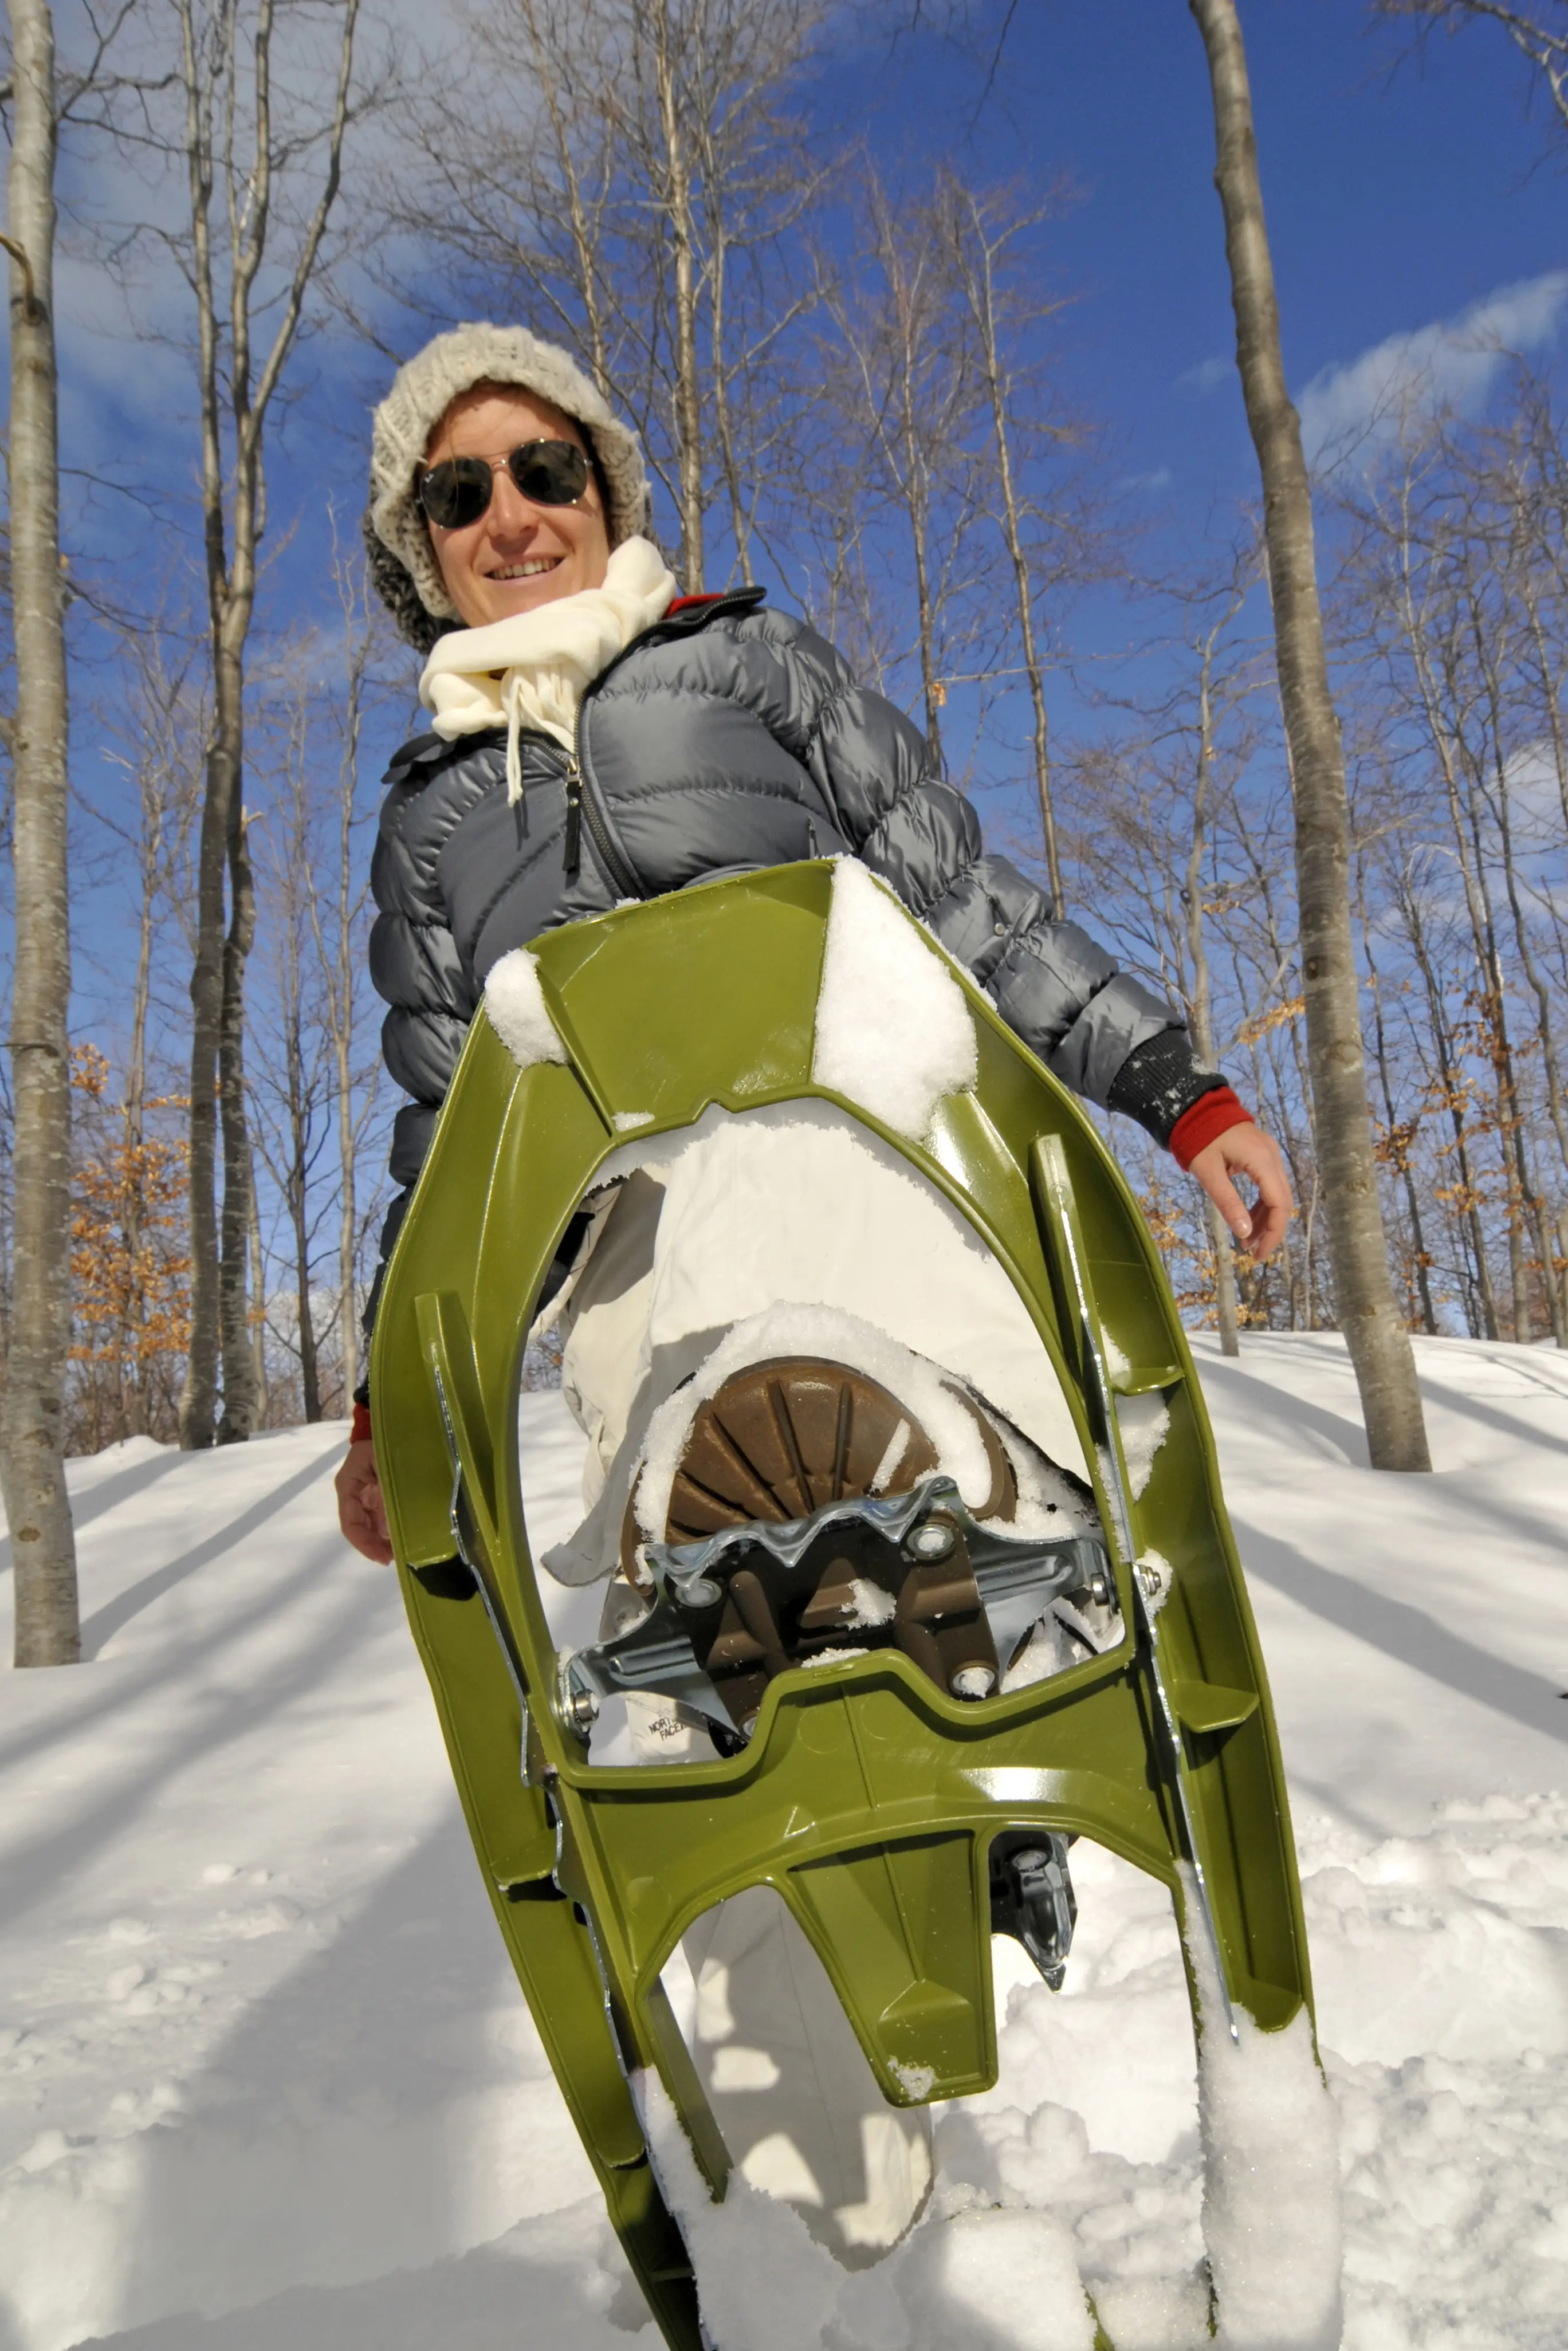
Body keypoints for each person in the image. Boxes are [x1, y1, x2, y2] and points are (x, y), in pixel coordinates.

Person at [334, 321, 1294, 1571]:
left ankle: (986, 1516)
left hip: (855, 1130)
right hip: (625, 1216)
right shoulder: (432, 813)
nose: (509, 518)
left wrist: (1176, 1088)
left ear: (602, 493)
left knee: (820, 1213)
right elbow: (446, 1138)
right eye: (460, 495)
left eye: (545, 472)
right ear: (426, 549)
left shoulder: (746, 663)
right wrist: (385, 1406)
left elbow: (958, 894)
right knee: (659, 1290)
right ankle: (724, 1587)